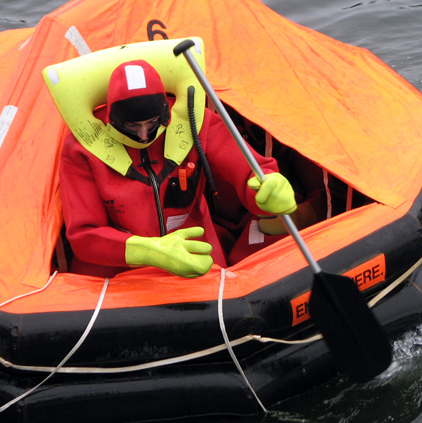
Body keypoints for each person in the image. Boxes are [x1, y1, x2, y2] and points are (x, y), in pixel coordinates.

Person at [59, 59, 297, 278]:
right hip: (119, 266)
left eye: (151, 123)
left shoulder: (195, 122)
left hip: (197, 251)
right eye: (132, 126)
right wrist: (149, 252)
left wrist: (268, 187)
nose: (144, 136)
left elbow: (249, 170)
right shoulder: (83, 146)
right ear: (113, 118)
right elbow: (84, 236)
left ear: (165, 110)